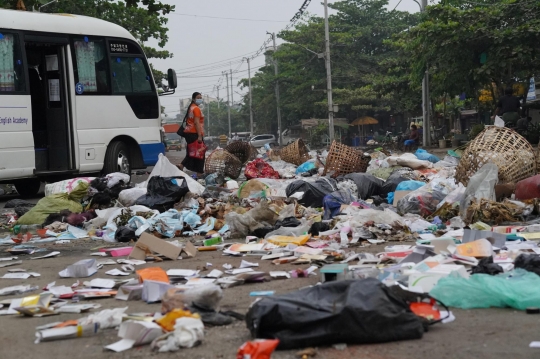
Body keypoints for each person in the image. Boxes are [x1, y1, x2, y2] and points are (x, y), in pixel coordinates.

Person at [178, 92, 205, 176]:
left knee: (192, 152)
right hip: (194, 133)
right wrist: (199, 135)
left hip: (188, 133)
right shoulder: (196, 109)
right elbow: (196, 123)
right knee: (201, 153)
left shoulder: (191, 108)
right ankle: (199, 174)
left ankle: (181, 165)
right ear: (193, 99)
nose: (200, 99)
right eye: (198, 97)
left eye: (201, 97)